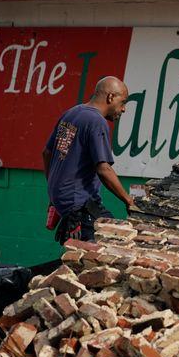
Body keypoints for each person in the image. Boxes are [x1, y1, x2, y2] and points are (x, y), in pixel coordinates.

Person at [42, 76, 135, 244]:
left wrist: (54, 192)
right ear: (111, 97)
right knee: (115, 241)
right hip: (79, 207)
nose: (124, 109)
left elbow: (47, 153)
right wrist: (128, 201)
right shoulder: (96, 121)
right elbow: (103, 169)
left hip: (64, 204)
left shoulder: (71, 114)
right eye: (123, 102)